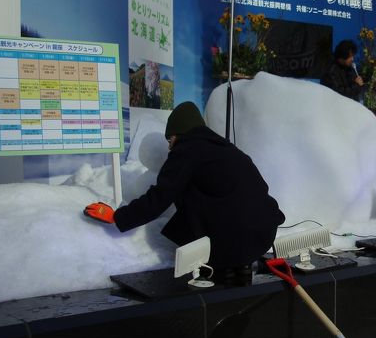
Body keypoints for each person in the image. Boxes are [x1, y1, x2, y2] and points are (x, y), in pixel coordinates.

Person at [84, 102, 285, 279]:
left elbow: (160, 197)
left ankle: (222, 269)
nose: (169, 148)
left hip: (232, 240)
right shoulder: (226, 149)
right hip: (262, 232)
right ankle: (237, 269)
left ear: (177, 134)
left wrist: (119, 217)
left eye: (169, 140)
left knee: (190, 210)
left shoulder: (187, 150)